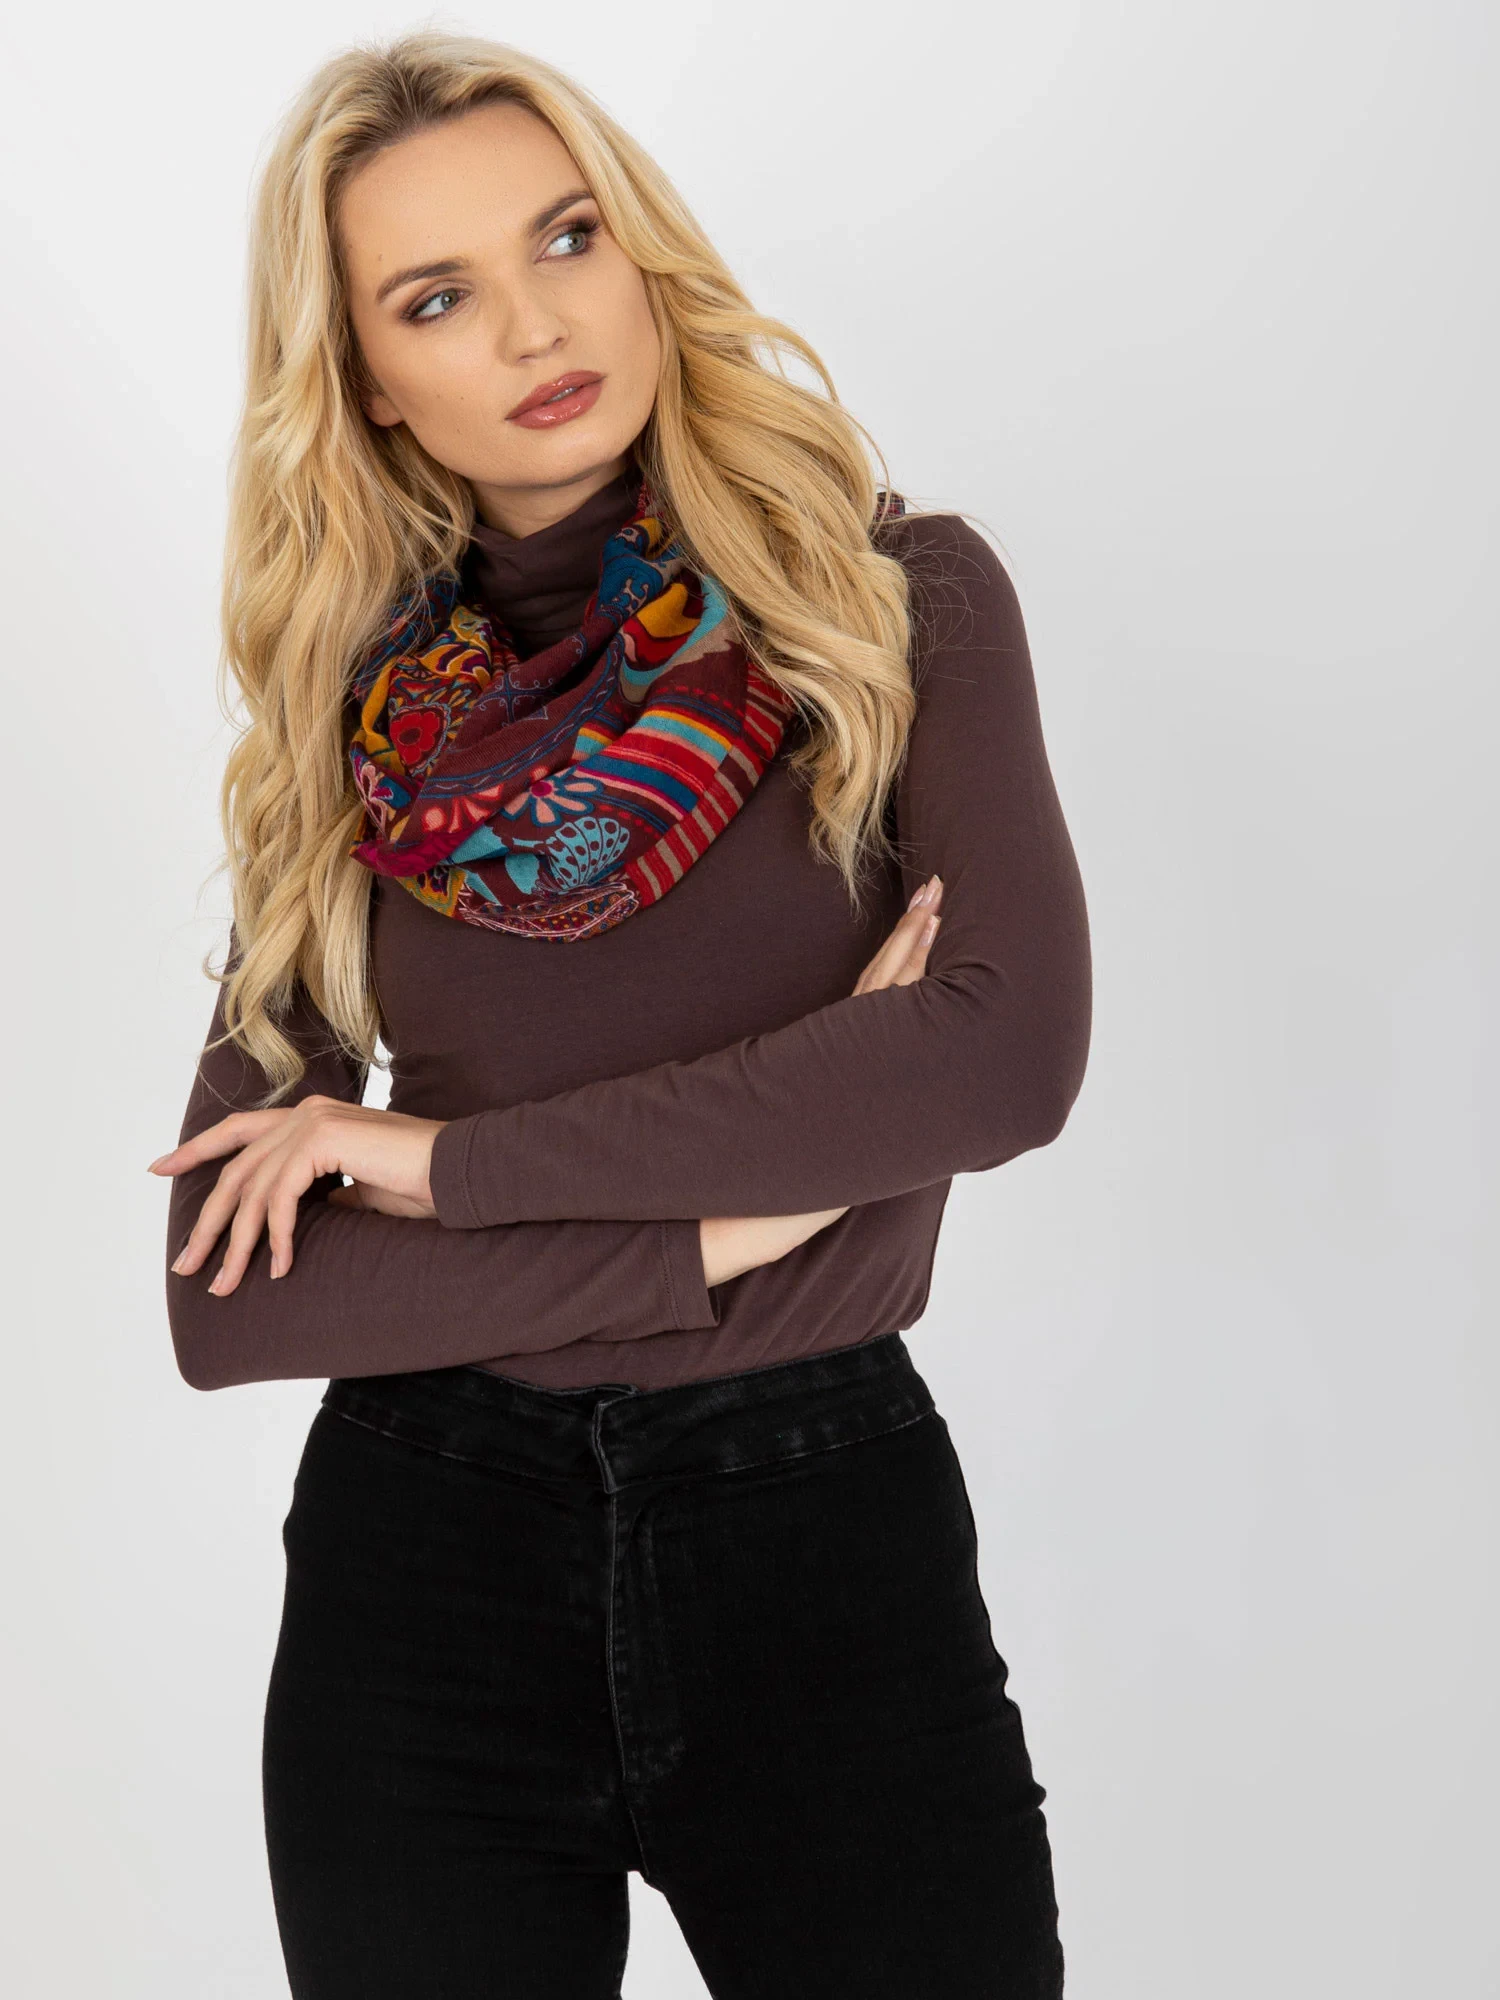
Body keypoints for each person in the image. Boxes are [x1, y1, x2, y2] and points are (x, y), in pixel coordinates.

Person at [148, 29, 1091, 1999]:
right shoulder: (353, 728)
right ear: (368, 379)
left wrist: (434, 1168)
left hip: (818, 1531)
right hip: (423, 1571)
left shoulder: (891, 607)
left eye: (565, 236)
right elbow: (235, 1300)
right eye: (435, 296)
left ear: (639, 246)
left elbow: (1002, 1056)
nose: (534, 323)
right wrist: (755, 1210)